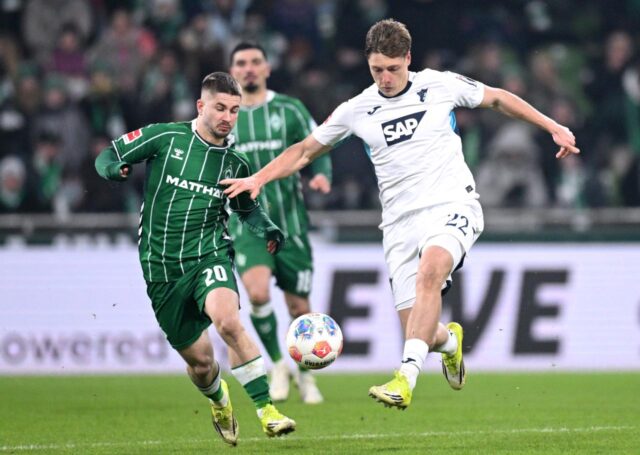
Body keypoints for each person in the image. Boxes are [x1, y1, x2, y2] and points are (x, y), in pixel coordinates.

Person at [222, 20, 580, 410]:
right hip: (398, 225)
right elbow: (305, 151)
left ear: (408, 58)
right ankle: (450, 343)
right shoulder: (356, 109)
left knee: (431, 271)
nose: (386, 78)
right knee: (420, 330)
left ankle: (404, 378)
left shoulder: (439, 85)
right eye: (377, 69)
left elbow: (496, 98)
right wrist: (258, 178)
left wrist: (552, 126)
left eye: (393, 68)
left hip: (452, 205)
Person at [94, 72, 296, 444]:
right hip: (161, 267)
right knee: (202, 364)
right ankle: (219, 401)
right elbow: (110, 154)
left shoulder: (234, 163)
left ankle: (267, 410)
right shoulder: (165, 137)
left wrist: (267, 228)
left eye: (234, 110)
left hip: (209, 254)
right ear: (201, 106)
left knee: (229, 323)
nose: (227, 117)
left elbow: (245, 208)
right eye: (220, 108)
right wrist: (112, 170)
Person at [228, 42, 332, 404]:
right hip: (247, 225)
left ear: (267, 68)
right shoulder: (225, 116)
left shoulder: (289, 109)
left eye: (255, 61)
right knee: (257, 294)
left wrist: (322, 174)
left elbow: (319, 144)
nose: (249, 68)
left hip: (291, 225)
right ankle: (276, 365)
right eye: (241, 63)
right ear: (232, 72)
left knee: (299, 309)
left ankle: (306, 374)